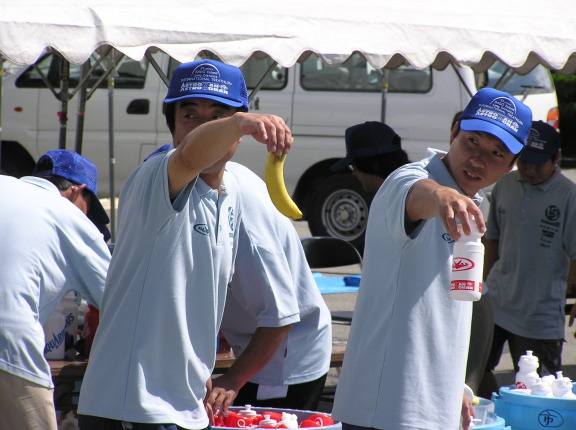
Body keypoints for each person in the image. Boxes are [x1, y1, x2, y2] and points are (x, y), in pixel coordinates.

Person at [77, 59, 292, 429]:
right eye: (190, 115)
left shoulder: (231, 191)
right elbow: (192, 154)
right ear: (174, 126)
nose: (202, 126)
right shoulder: (158, 172)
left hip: (184, 403)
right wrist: (236, 122)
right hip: (131, 404)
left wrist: (198, 371)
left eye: (217, 115)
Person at [331, 88, 532, 430]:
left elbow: (447, 309)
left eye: (496, 153)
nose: (478, 160)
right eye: (472, 142)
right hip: (382, 410)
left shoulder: (472, 203)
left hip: (432, 408)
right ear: (454, 134)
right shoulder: (409, 179)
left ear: (511, 166)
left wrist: (455, 385)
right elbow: (416, 194)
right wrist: (442, 195)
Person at [0, 149, 111, 430]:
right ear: (77, 191)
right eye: (89, 208)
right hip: (9, 351)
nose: (87, 217)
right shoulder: (70, 216)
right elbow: (119, 300)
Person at [209, 161, 332, 412]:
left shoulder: (248, 233)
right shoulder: (217, 171)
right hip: (259, 343)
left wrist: (233, 379)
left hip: (283, 363)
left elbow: (280, 319)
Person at [479, 120, 576, 397]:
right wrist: (481, 286)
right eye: (524, 161)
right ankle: (497, 411)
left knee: (540, 390)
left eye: (538, 164)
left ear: (556, 160)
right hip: (497, 302)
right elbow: (492, 239)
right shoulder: (505, 184)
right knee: (474, 372)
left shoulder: (568, 196)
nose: (530, 170)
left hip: (539, 314)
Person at [330, 121, 411, 193]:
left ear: (372, 165)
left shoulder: (408, 198)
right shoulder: (405, 189)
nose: (354, 173)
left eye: (354, 166)